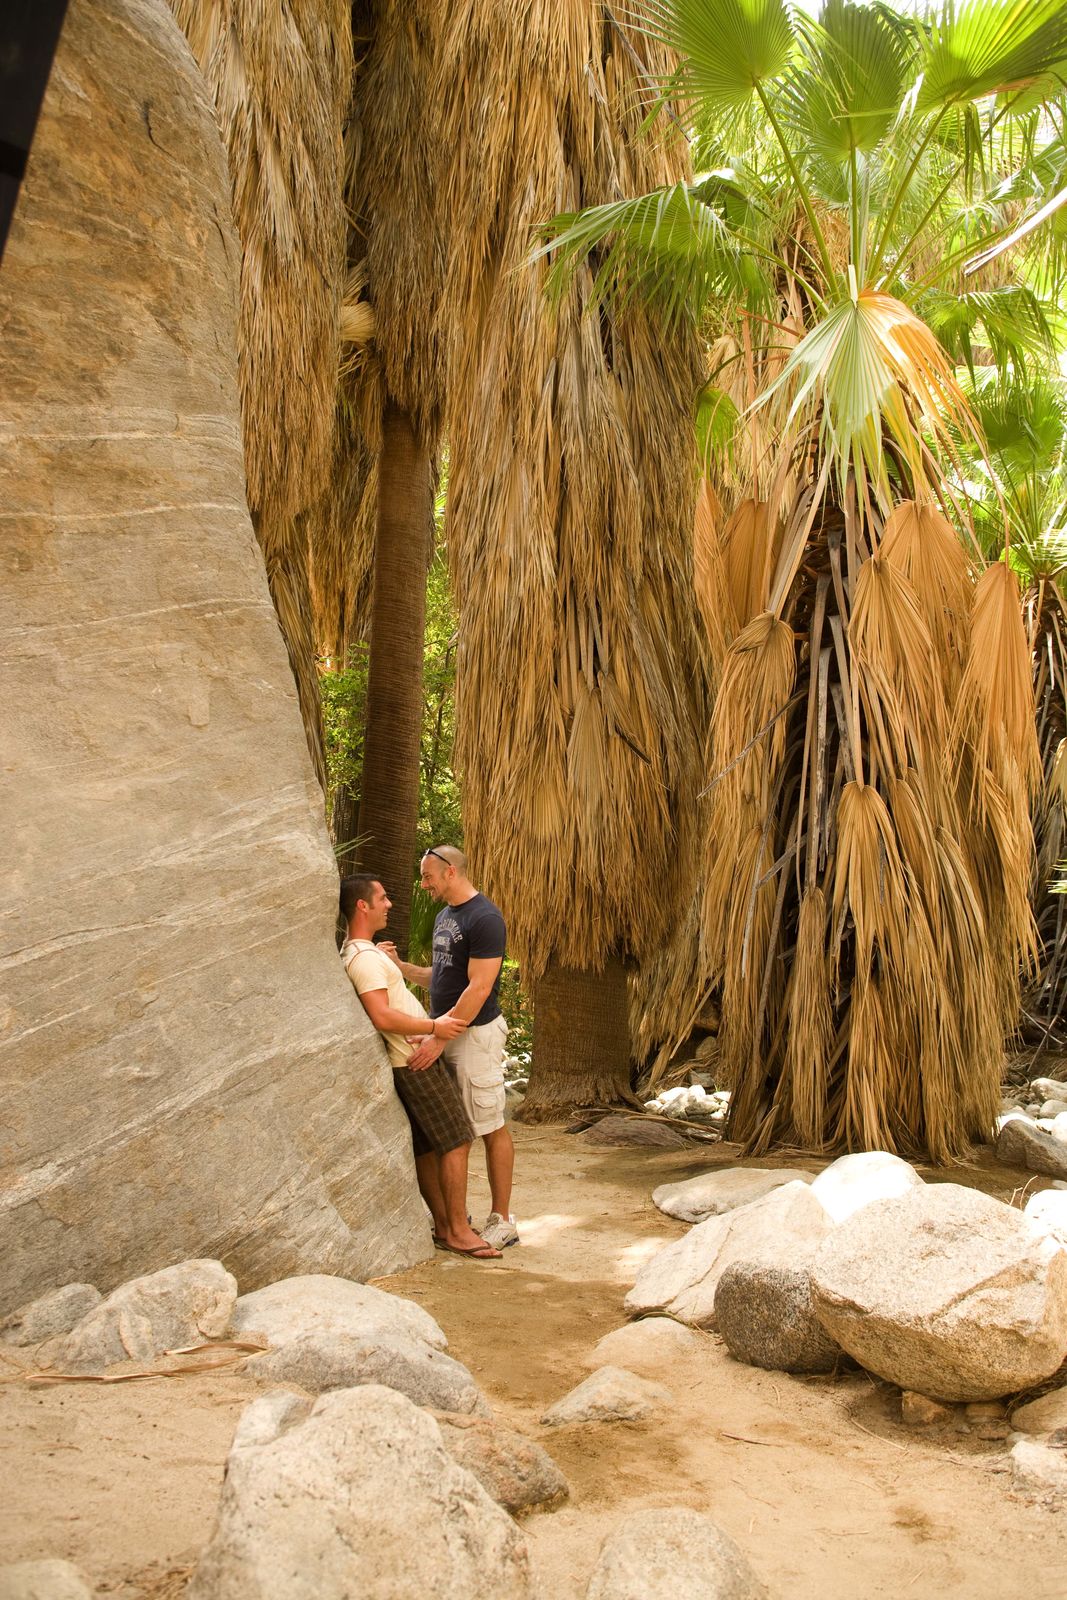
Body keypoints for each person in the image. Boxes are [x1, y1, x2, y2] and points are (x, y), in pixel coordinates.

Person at [339, 874, 502, 1259]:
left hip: (410, 1059)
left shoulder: (363, 952)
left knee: (429, 1146)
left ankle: (446, 1224)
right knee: (457, 1139)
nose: (389, 904)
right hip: (414, 1061)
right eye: (382, 897)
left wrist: (393, 961)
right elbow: (382, 1015)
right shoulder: (363, 959)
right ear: (362, 906)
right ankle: (458, 1231)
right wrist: (435, 1027)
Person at [381, 845, 518, 1250]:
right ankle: (457, 1219)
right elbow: (441, 977)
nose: (424, 884)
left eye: (428, 876)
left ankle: (503, 1219)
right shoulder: (445, 916)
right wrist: (403, 969)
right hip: (446, 1032)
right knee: (455, 1130)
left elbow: (479, 987)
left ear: (451, 872)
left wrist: (440, 1037)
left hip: (474, 1036)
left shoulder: (485, 917)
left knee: (490, 1124)